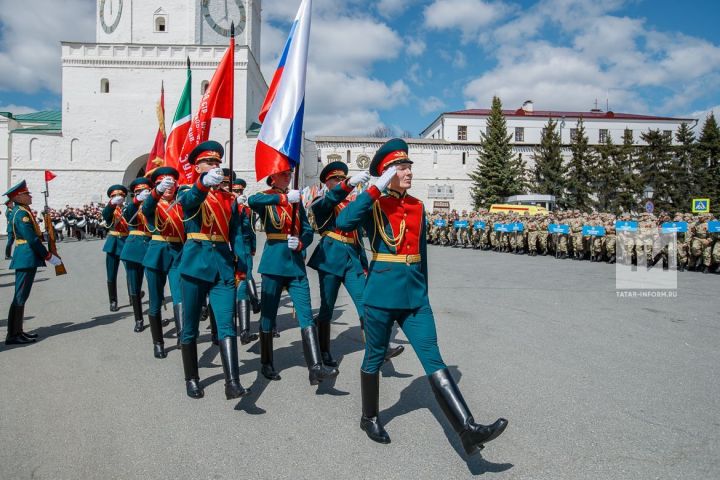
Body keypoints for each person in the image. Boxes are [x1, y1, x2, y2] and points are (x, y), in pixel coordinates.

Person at [336, 138, 507, 454]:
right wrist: (374, 188)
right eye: (402, 167)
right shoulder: (372, 202)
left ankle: (466, 428)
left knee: (432, 355)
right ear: (388, 172)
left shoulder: (416, 206)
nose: (409, 171)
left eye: (409, 166)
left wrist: (423, 292)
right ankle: (369, 417)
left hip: (414, 298)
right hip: (381, 295)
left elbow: (422, 254)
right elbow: (344, 222)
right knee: (374, 356)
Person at [307, 161, 403, 367]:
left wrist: (364, 265)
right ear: (326, 182)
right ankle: (323, 350)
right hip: (330, 258)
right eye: (336, 179)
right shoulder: (321, 201)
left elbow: (358, 237)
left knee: (366, 303)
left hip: (352, 259)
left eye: (343, 178)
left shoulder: (351, 205)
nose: (340, 181)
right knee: (327, 308)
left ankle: (379, 349)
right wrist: (349, 184)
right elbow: (330, 201)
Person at [248, 169, 339, 385]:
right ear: (272, 177)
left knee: (306, 314)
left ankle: (315, 367)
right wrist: (282, 198)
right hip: (274, 263)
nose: (288, 176)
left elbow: (307, 231)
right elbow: (253, 201)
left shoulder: (296, 201)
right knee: (268, 315)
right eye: (283, 173)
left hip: (295, 264)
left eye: (289, 173)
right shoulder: (268, 197)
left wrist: (300, 242)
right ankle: (266, 362)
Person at [177, 141, 249, 400]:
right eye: (209, 162)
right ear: (197, 167)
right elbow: (188, 202)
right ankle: (192, 378)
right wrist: (203, 183)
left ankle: (232, 382)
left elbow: (237, 234)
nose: (215, 166)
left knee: (226, 324)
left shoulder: (229, 199)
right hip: (195, 265)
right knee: (191, 327)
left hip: (222, 266)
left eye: (218, 162)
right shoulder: (188, 190)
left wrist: (241, 263)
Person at [4, 180, 63, 345]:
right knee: (20, 296)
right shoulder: (21, 213)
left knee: (22, 296)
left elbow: (35, 233)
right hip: (26, 257)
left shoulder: (23, 210)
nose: (30, 196)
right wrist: (48, 256)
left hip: (27, 257)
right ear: (18, 196)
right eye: (26, 194)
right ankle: (13, 334)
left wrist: (46, 217)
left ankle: (18, 331)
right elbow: (31, 239)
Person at [142, 167, 185, 359]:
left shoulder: (181, 204)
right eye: (163, 182)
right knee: (155, 299)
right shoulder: (153, 204)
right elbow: (147, 207)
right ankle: (158, 342)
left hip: (177, 253)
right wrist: (157, 191)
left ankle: (183, 336)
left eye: (171, 182)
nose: (169, 186)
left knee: (179, 296)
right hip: (157, 253)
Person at [121, 177, 153, 333]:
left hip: (152, 246)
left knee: (154, 285)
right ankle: (138, 318)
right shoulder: (130, 206)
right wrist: (136, 201)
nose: (143, 194)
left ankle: (155, 316)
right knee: (135, 285)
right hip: (134, 247)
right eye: (139, 192)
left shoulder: (154, 205)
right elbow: (128, 215)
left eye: (146, 191)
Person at [232, 177, 260, 345]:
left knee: (245, 279)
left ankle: (244, 331)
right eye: (236, 191)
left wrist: (253, 246)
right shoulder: (226, 206)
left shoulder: (247, 210)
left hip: (244, 248)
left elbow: (250, 230)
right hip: (227, 249)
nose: (239, 193)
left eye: (241, 191)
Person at [101, 184, 130, 312]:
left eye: (120, 195)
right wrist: (112, 204)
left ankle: (133, 296)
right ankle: (113, 301)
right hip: (113, 243)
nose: (118, 197)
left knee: (131, 272)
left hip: (126, 241)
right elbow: (106, 214)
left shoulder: (128, 208)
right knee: (111, 274)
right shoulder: (109, 209)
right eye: (114, 196)